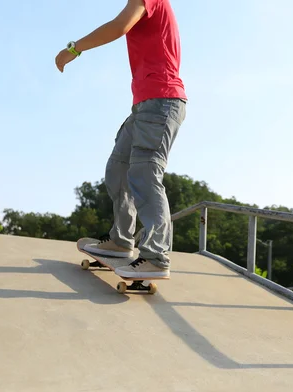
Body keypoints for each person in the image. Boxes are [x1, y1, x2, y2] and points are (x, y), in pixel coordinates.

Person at [55, 0, 186, 280]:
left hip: (161, 102)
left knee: (145, 172)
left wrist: (73, 49)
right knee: (118, 168)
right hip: (144, 105)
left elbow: (120, 26)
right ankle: (121, 241)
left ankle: (156, 256)